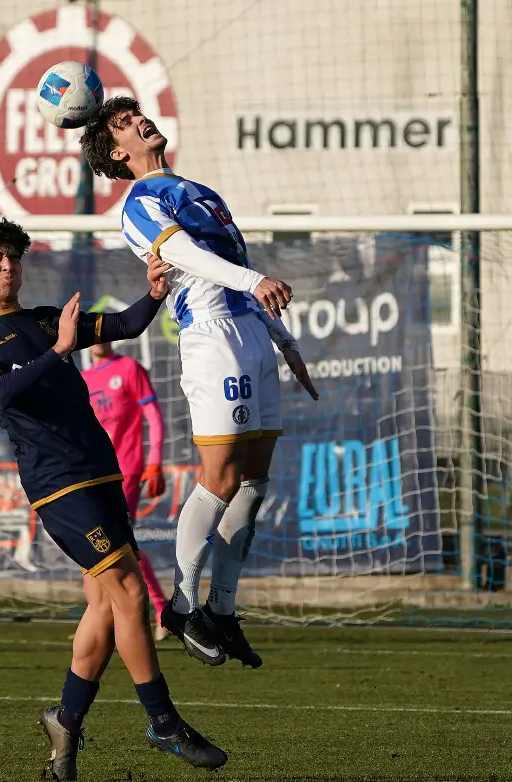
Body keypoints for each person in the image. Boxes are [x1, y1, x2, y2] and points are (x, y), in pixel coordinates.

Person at [0, 219, 227, 781]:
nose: (7, 266)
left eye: (14, 258)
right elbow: (0, 391)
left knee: (103, 606)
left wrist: (153, 293)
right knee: (129, 595)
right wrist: (60, 351)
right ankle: (163, 722)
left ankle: (65, 722)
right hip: (58, 484)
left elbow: (124, 323)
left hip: (101, 473)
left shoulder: (45, 320)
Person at [80, 98, 321, 669]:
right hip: (212, 340)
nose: (141, 121)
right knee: (221, 477)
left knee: (255, 485)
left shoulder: (200, 190)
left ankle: (223, 610)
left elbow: (232, 268)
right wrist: (256, 277)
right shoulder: (138, 204)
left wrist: (285, 344)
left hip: (252, 336)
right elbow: (187, 255)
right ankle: (183, 608)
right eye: (125, 123)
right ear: (119, 153)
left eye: (138, 113)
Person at [82, 340, 169, 641]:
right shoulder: (84, 379)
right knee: (95, 541)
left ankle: (159, 610)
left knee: (118, 542)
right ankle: (99, 612)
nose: (99, 339)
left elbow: (154, 417)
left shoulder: (129, 369)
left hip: (127, 471)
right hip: (94, 474)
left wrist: (155, 462)